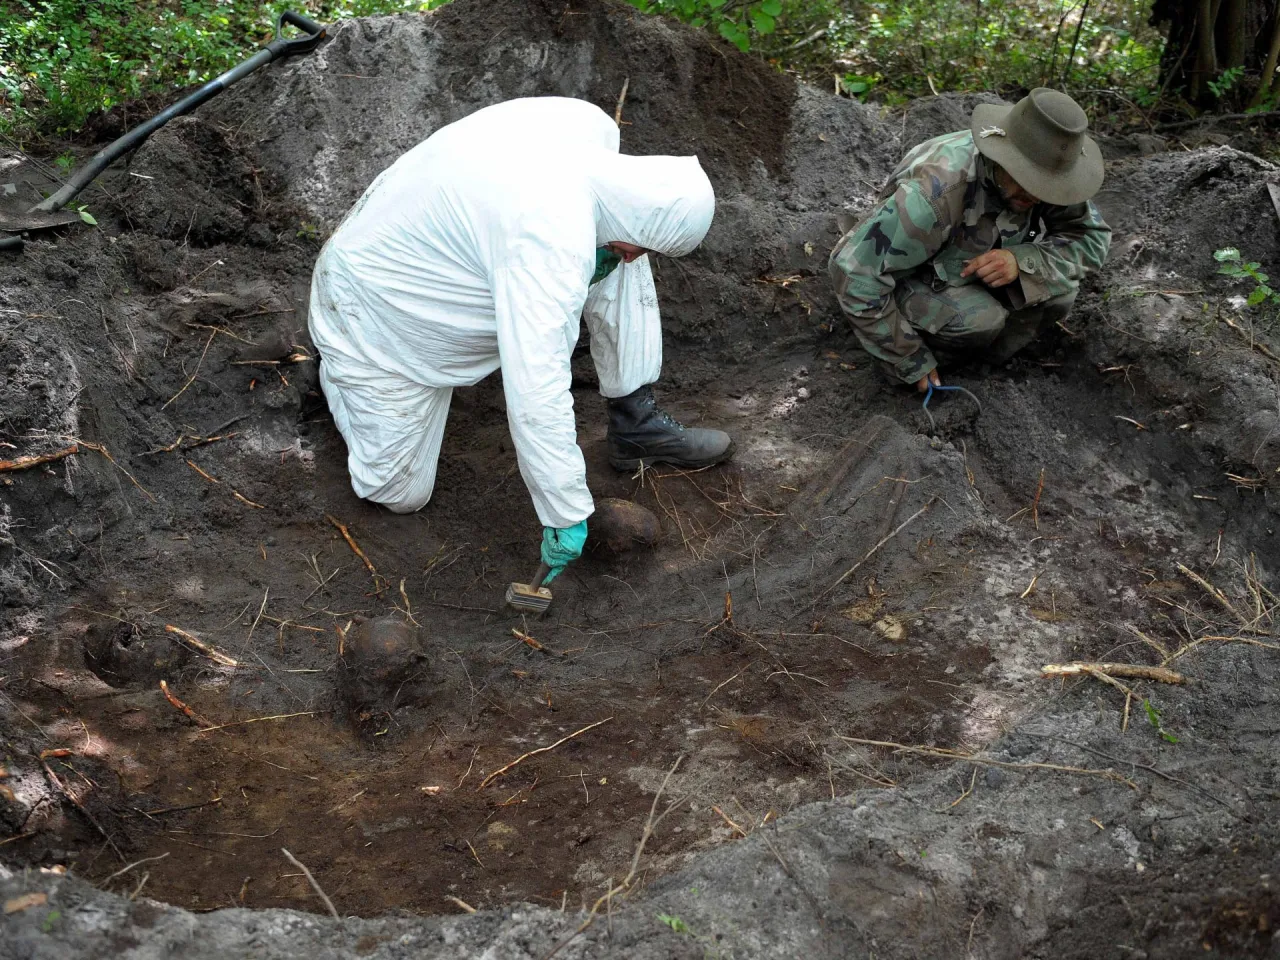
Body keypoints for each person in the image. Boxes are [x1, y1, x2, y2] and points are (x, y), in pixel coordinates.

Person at [308, 97, 734, 584]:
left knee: (616, 257)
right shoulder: (547, 236)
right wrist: (564, 510)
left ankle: (635, 422)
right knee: (397, 492)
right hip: (377, 311)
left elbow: (609, 246)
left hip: (452, 252)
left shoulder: (588, 133)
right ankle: (337, 369)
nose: (638, 257)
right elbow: (536, 389)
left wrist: (603, 260)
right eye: (644, 245)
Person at [829, 88, 1112, 391]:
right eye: (1027, 180)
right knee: (979, 321)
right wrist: (908, 358)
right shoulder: (933, 195)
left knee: (1059, 293)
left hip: (971, 259)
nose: (1037, 195)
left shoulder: (1050, 176)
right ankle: (930, 358)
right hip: (913, 270)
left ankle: (984, 364)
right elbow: (852, 272)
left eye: (1046, 188)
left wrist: (1022, 260)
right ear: (1002, 157)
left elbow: (1092, 239)